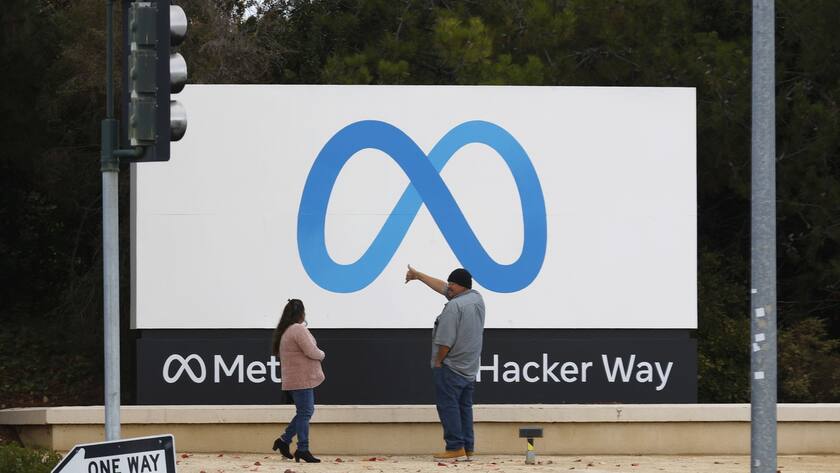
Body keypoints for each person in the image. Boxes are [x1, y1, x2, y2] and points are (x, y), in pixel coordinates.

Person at [405, 265, 485, 461]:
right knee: (464, 408)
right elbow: (443, 288)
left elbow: (445, 341)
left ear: (461, 286)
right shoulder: (476, 299)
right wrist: (419, 275)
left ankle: (455, 447)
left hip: (451, 367)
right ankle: (467, 448)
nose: (448, 287)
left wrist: (439, 361)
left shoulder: (453, 307)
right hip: (469, 367)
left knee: (448, 407)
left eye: (452, 284)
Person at [270, 299, 325, 463]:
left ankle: (284, 441)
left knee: (304, 412)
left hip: (295, 379)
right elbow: (311, 351)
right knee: (305, 412)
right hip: (302, 379)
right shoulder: (298, 329)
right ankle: (302, 449)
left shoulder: (287, 330)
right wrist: (322, 354)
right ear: (301, 313)